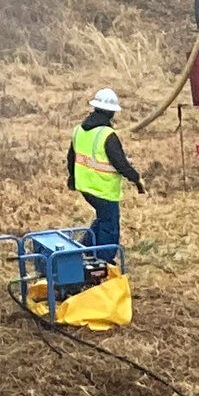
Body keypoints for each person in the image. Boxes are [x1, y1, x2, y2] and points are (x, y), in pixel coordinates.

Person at [69, 87, 144, 265]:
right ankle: (103, 263)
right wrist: (137, 179)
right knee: (110, 227)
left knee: (102, 219)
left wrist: (72, 179)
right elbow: (120, 163)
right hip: (103, 189)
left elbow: (71, 157)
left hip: (85, 187)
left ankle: (85, 249)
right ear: (111, 112)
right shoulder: (107, 135)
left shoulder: (79, 130)